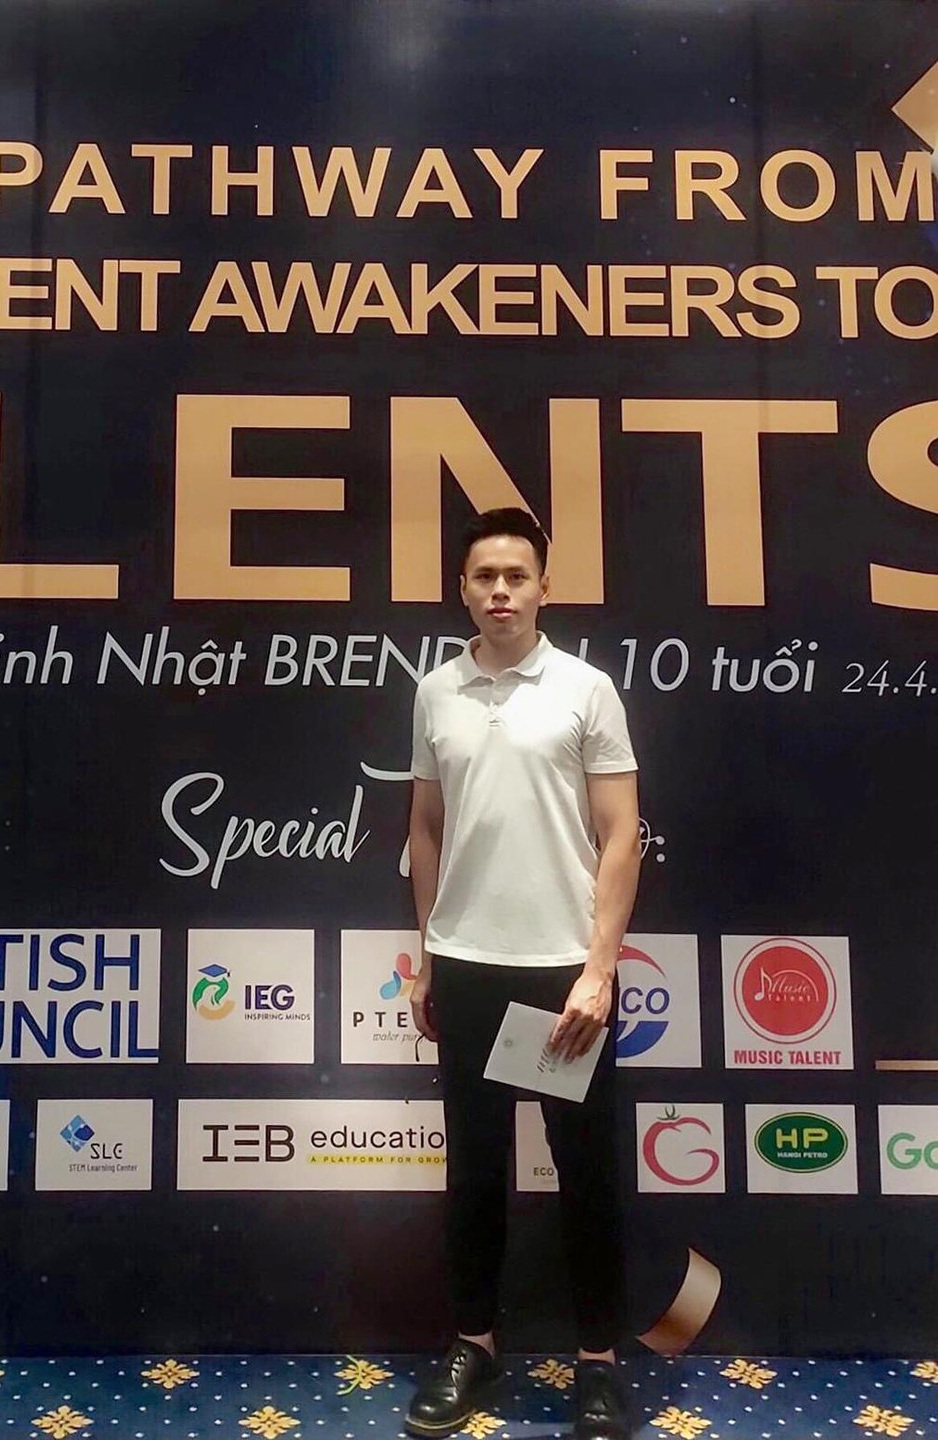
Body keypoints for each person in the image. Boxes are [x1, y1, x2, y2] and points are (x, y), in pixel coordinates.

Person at [404, 508, 641, 1440]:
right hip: (466, 969)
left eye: (517, 575)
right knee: (474, 1171)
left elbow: (621, 836)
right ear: (462, 589)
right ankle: (475, 1345)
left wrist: (599, 971)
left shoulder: (586, 689)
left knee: (587, 1175)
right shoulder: (436, 692)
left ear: (545, 587)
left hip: (562, 976)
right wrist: (428, 954)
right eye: (484, 576)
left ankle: (599, 1364)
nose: (500, 590)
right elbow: (426, 829)